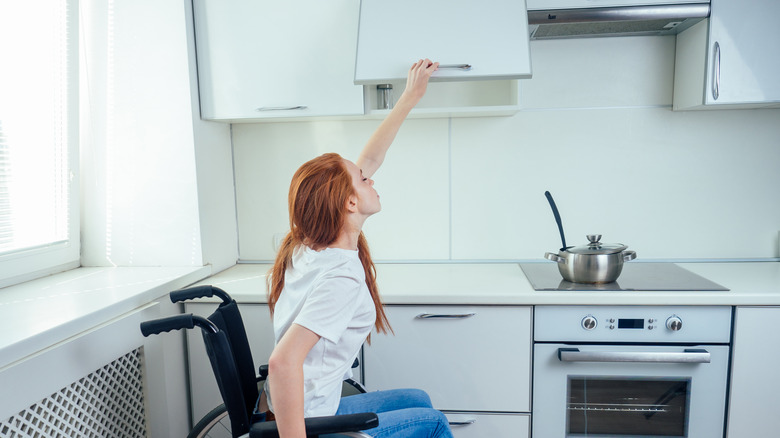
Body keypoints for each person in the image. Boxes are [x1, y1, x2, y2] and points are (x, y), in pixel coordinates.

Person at [264, 59, 452, 438]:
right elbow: (282, 363)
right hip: (312, 422)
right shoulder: (341, 276)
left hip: (315, 406)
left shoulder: (308, 244)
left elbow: (368, 158)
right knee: (434, 423)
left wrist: (410, 97)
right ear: (349, 203)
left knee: (418, 397)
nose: (371, 178)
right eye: (363, 180)